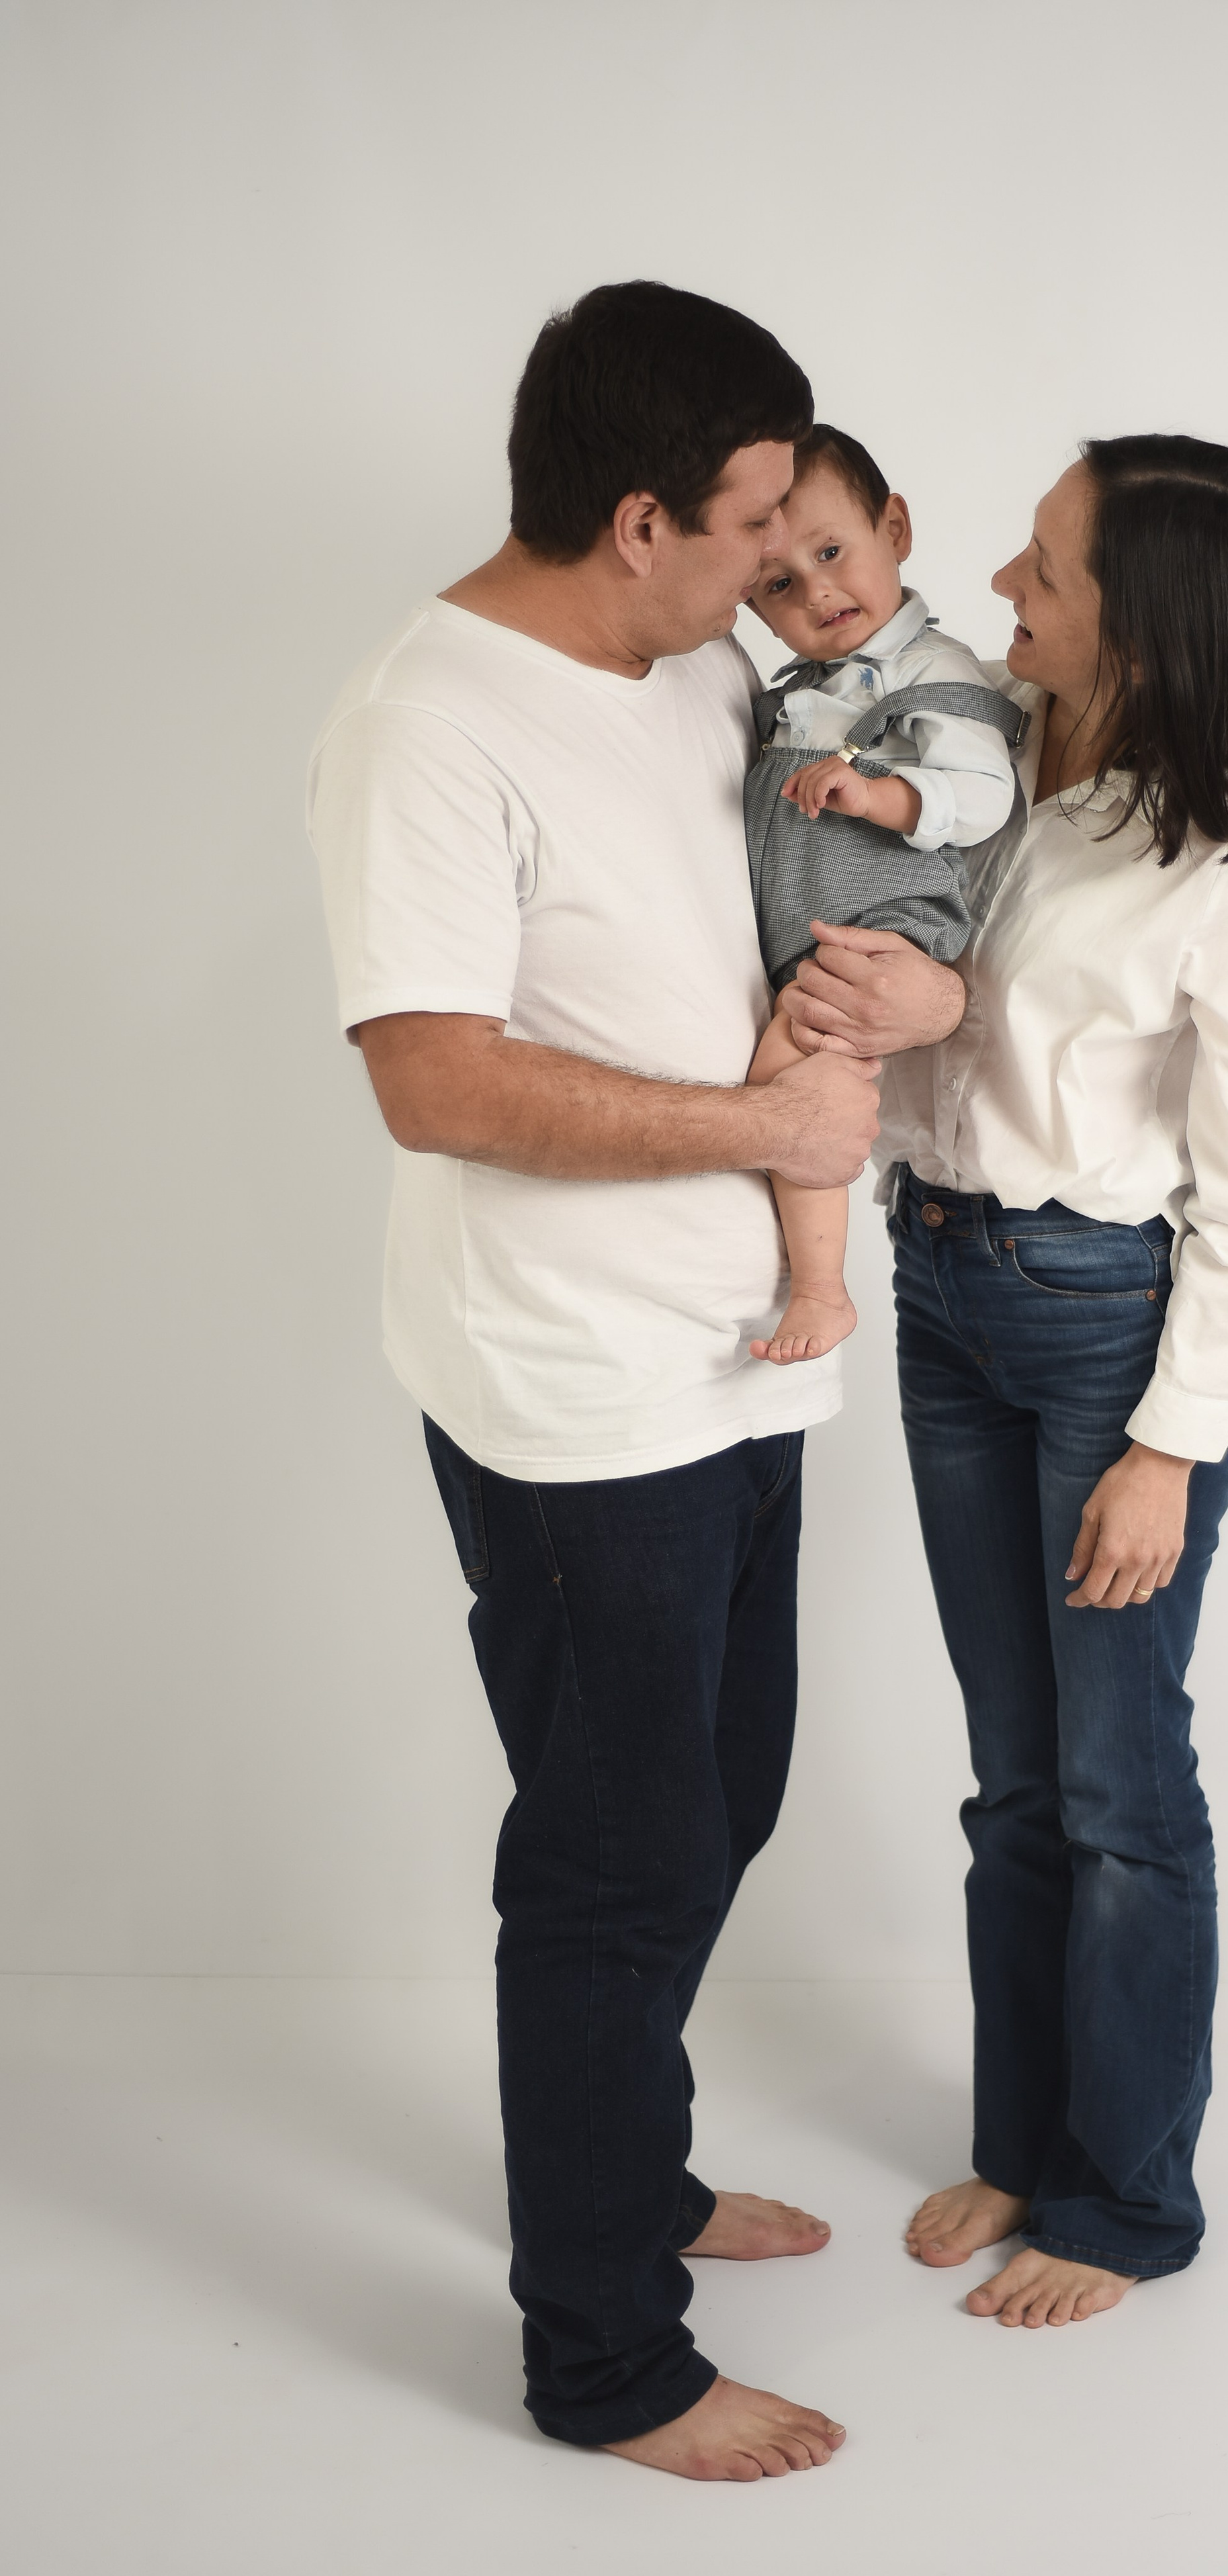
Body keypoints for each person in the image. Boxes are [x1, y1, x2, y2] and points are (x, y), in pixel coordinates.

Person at [306, 283, 955, 2480]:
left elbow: (799, 900)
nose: (779, 564)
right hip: (580, 1395)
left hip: (733, 1365)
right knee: (615, 1862)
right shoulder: (431, 714)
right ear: (638, 515)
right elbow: (433, 1076)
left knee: (719, 1800)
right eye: (752, 522)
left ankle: (628, 2165)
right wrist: (761, 1137)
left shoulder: (678, 675)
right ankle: (607, 2350)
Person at [775, 437, 1228, 2330]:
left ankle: (1125, 2199)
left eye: (1051, 566)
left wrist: (1170, 1448)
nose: (1006, 580)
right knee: (1014, 1784)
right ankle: (1026, 2139)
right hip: (945, 1292)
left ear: (1150, 630)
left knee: (1119, 1788)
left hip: (1106, 1329)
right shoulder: (989, 740)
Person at [739, 423, 1022, 1365]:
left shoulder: (932, 668)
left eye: (831, 553)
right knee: (787, 1065)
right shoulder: (797, 688)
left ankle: (822, 1292)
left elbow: (983, 799)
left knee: (801, 1067)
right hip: (817, 918)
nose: (818, 591)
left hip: (889, 918)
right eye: (779, 584)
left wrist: (881, 795)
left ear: (893, 527)